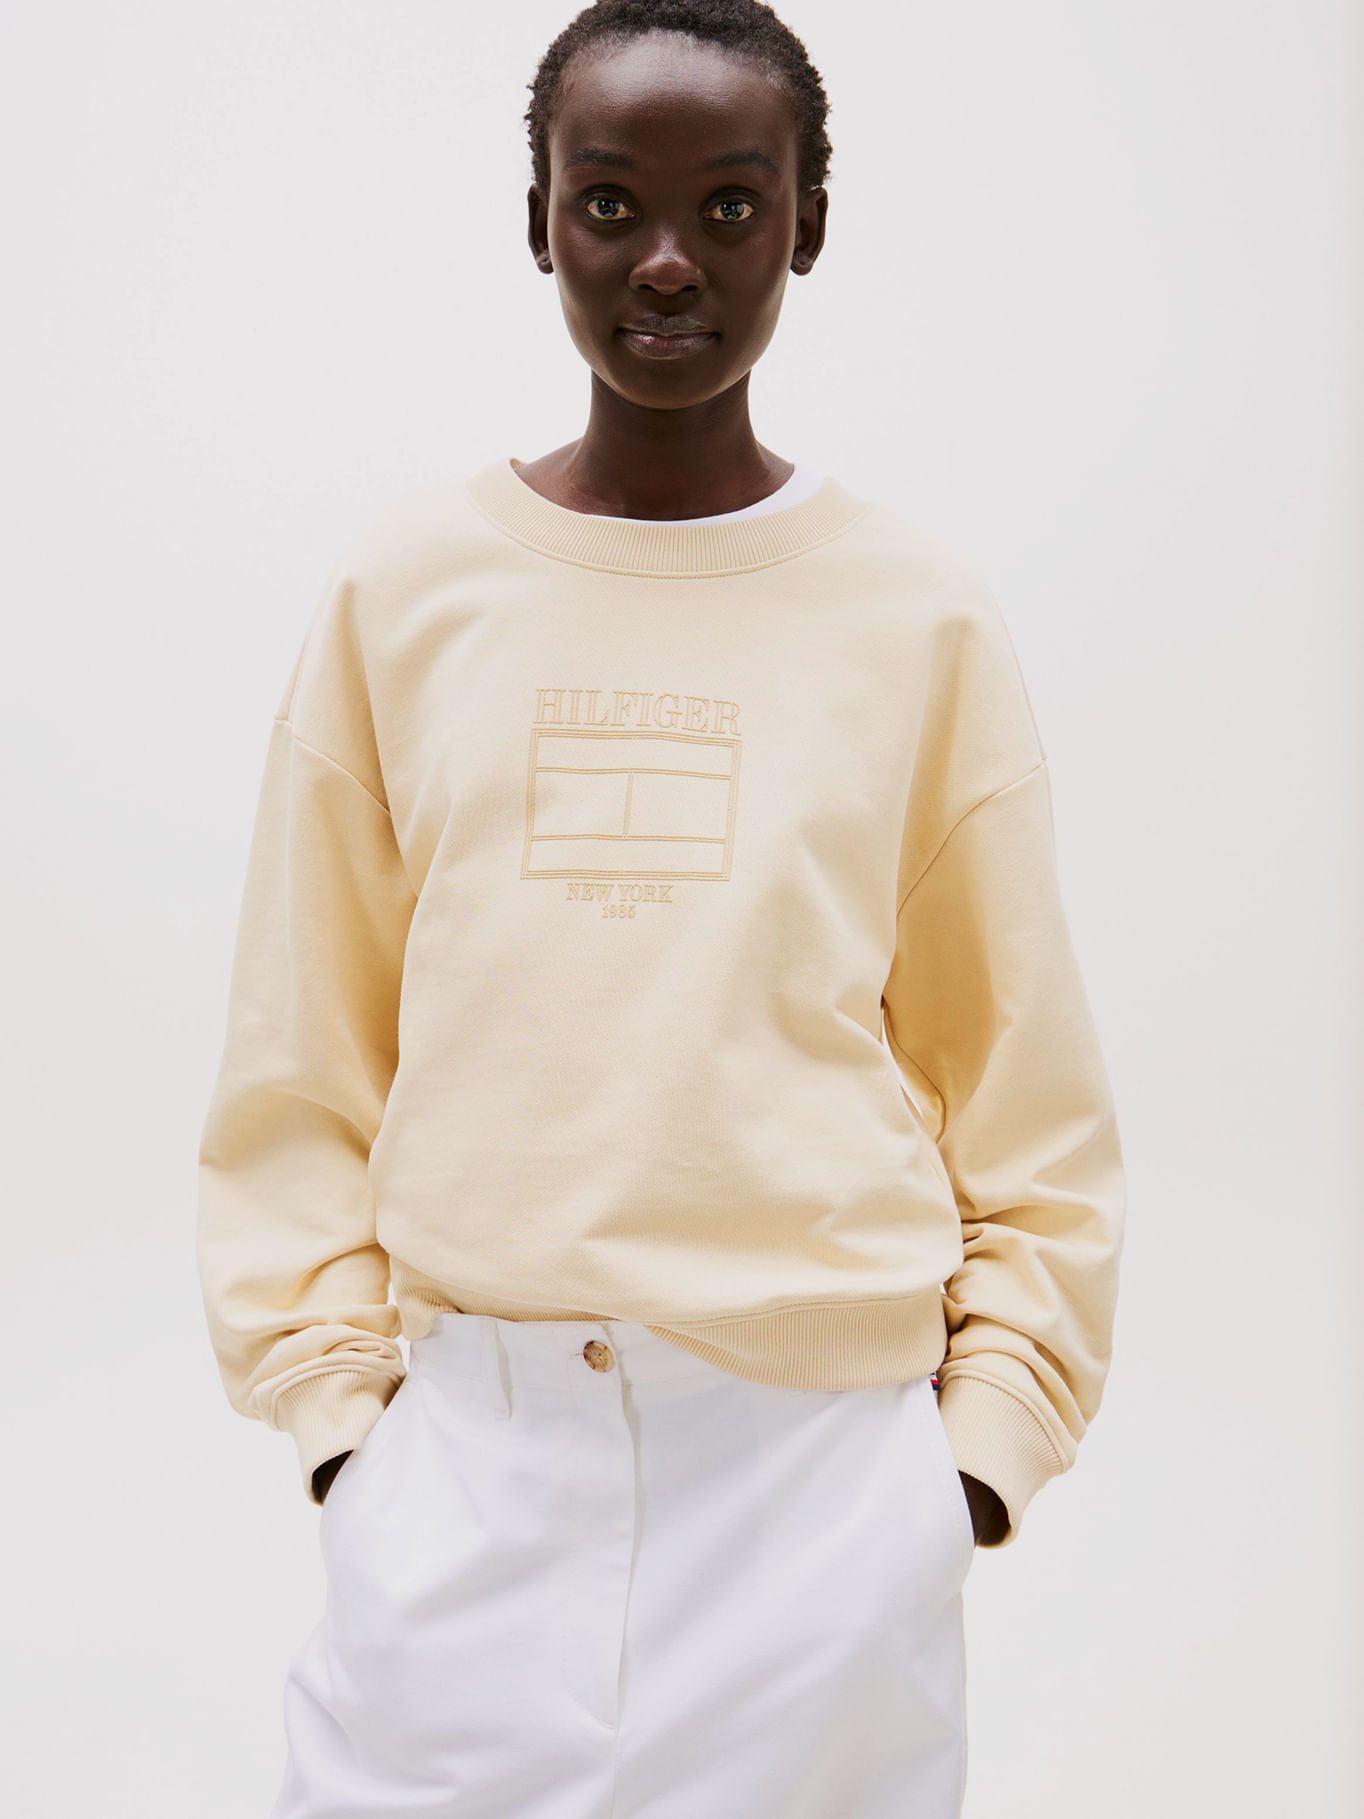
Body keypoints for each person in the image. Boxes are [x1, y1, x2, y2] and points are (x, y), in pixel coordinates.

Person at [196, 2, 1127, 1814]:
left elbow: (1029, 1098)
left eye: (733, 204)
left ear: (809, 224)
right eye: (612, 202)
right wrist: (346, 1439)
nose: (670, 262)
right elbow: (298, 1061)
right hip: (465, 1474)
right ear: (540, 219)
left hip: (823, 1495)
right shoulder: (406, 596)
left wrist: (966, 1472)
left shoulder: (917, 621)